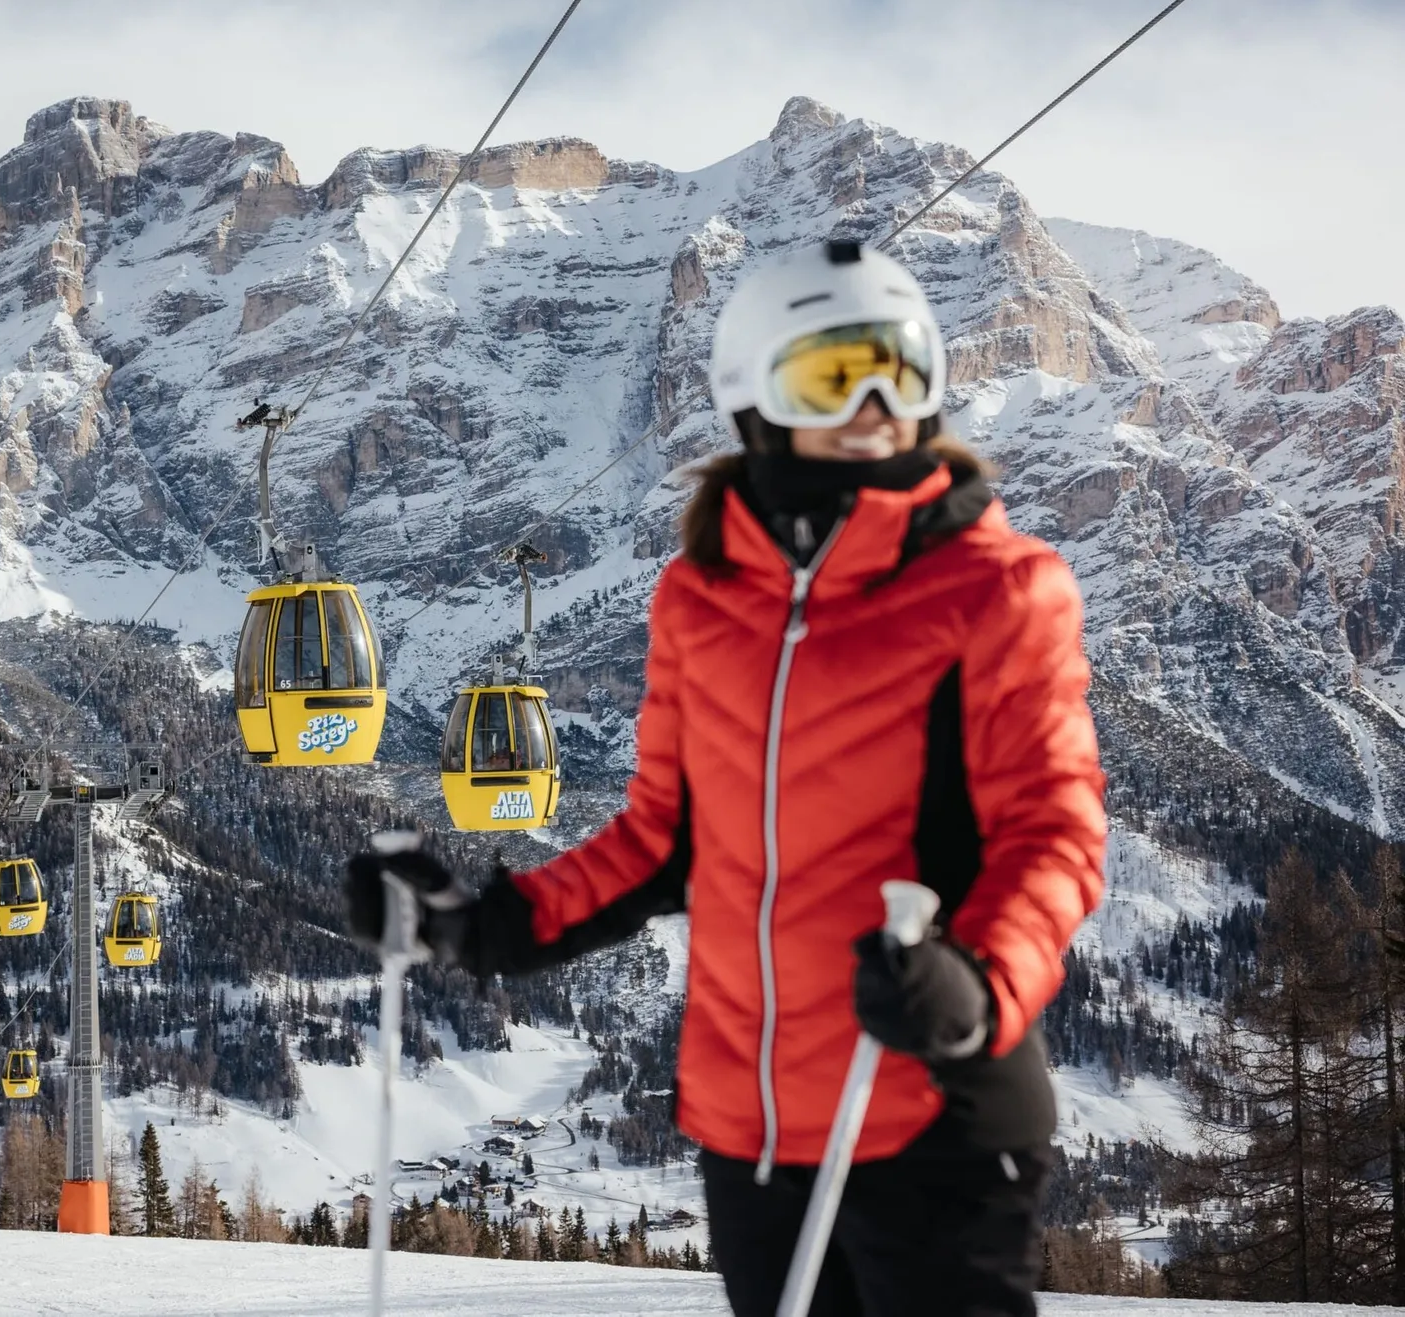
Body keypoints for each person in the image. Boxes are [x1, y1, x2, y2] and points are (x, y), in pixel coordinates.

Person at [345, 240, 1105, 1317]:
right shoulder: (699, 598)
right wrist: (481, 924)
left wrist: (974, 986)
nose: (876, 403)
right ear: (755, 396)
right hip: (751, 1133)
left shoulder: (998, 587)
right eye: (832, 375)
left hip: (931, 1108)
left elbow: (1055, 834)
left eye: (903, 366)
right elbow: (661, 840)